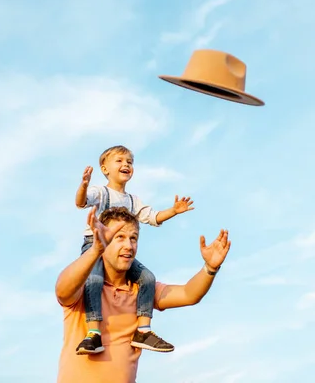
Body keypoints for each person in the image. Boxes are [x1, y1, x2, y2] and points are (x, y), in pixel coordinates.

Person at [55, 206, 231, 383]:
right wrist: (95, 251)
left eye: (133, 238)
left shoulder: (142, 291)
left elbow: (188, 294)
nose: (128, 246)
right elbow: (63, 290)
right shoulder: (86, 285)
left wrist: (210, 268)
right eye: (119, 237)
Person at [74, 145, 195, 354]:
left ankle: (143, 330)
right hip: (95, 246)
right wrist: (84, 185)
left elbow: (152, 217)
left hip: (120, 252)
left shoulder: (132, 200)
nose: (126, 165)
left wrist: (174, 211)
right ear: (105, 168)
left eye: (129, 162)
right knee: (93, 280)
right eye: (119, 161)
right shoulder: (100, 192)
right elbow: (81, 202)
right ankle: (93, 333)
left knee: (147, 278)